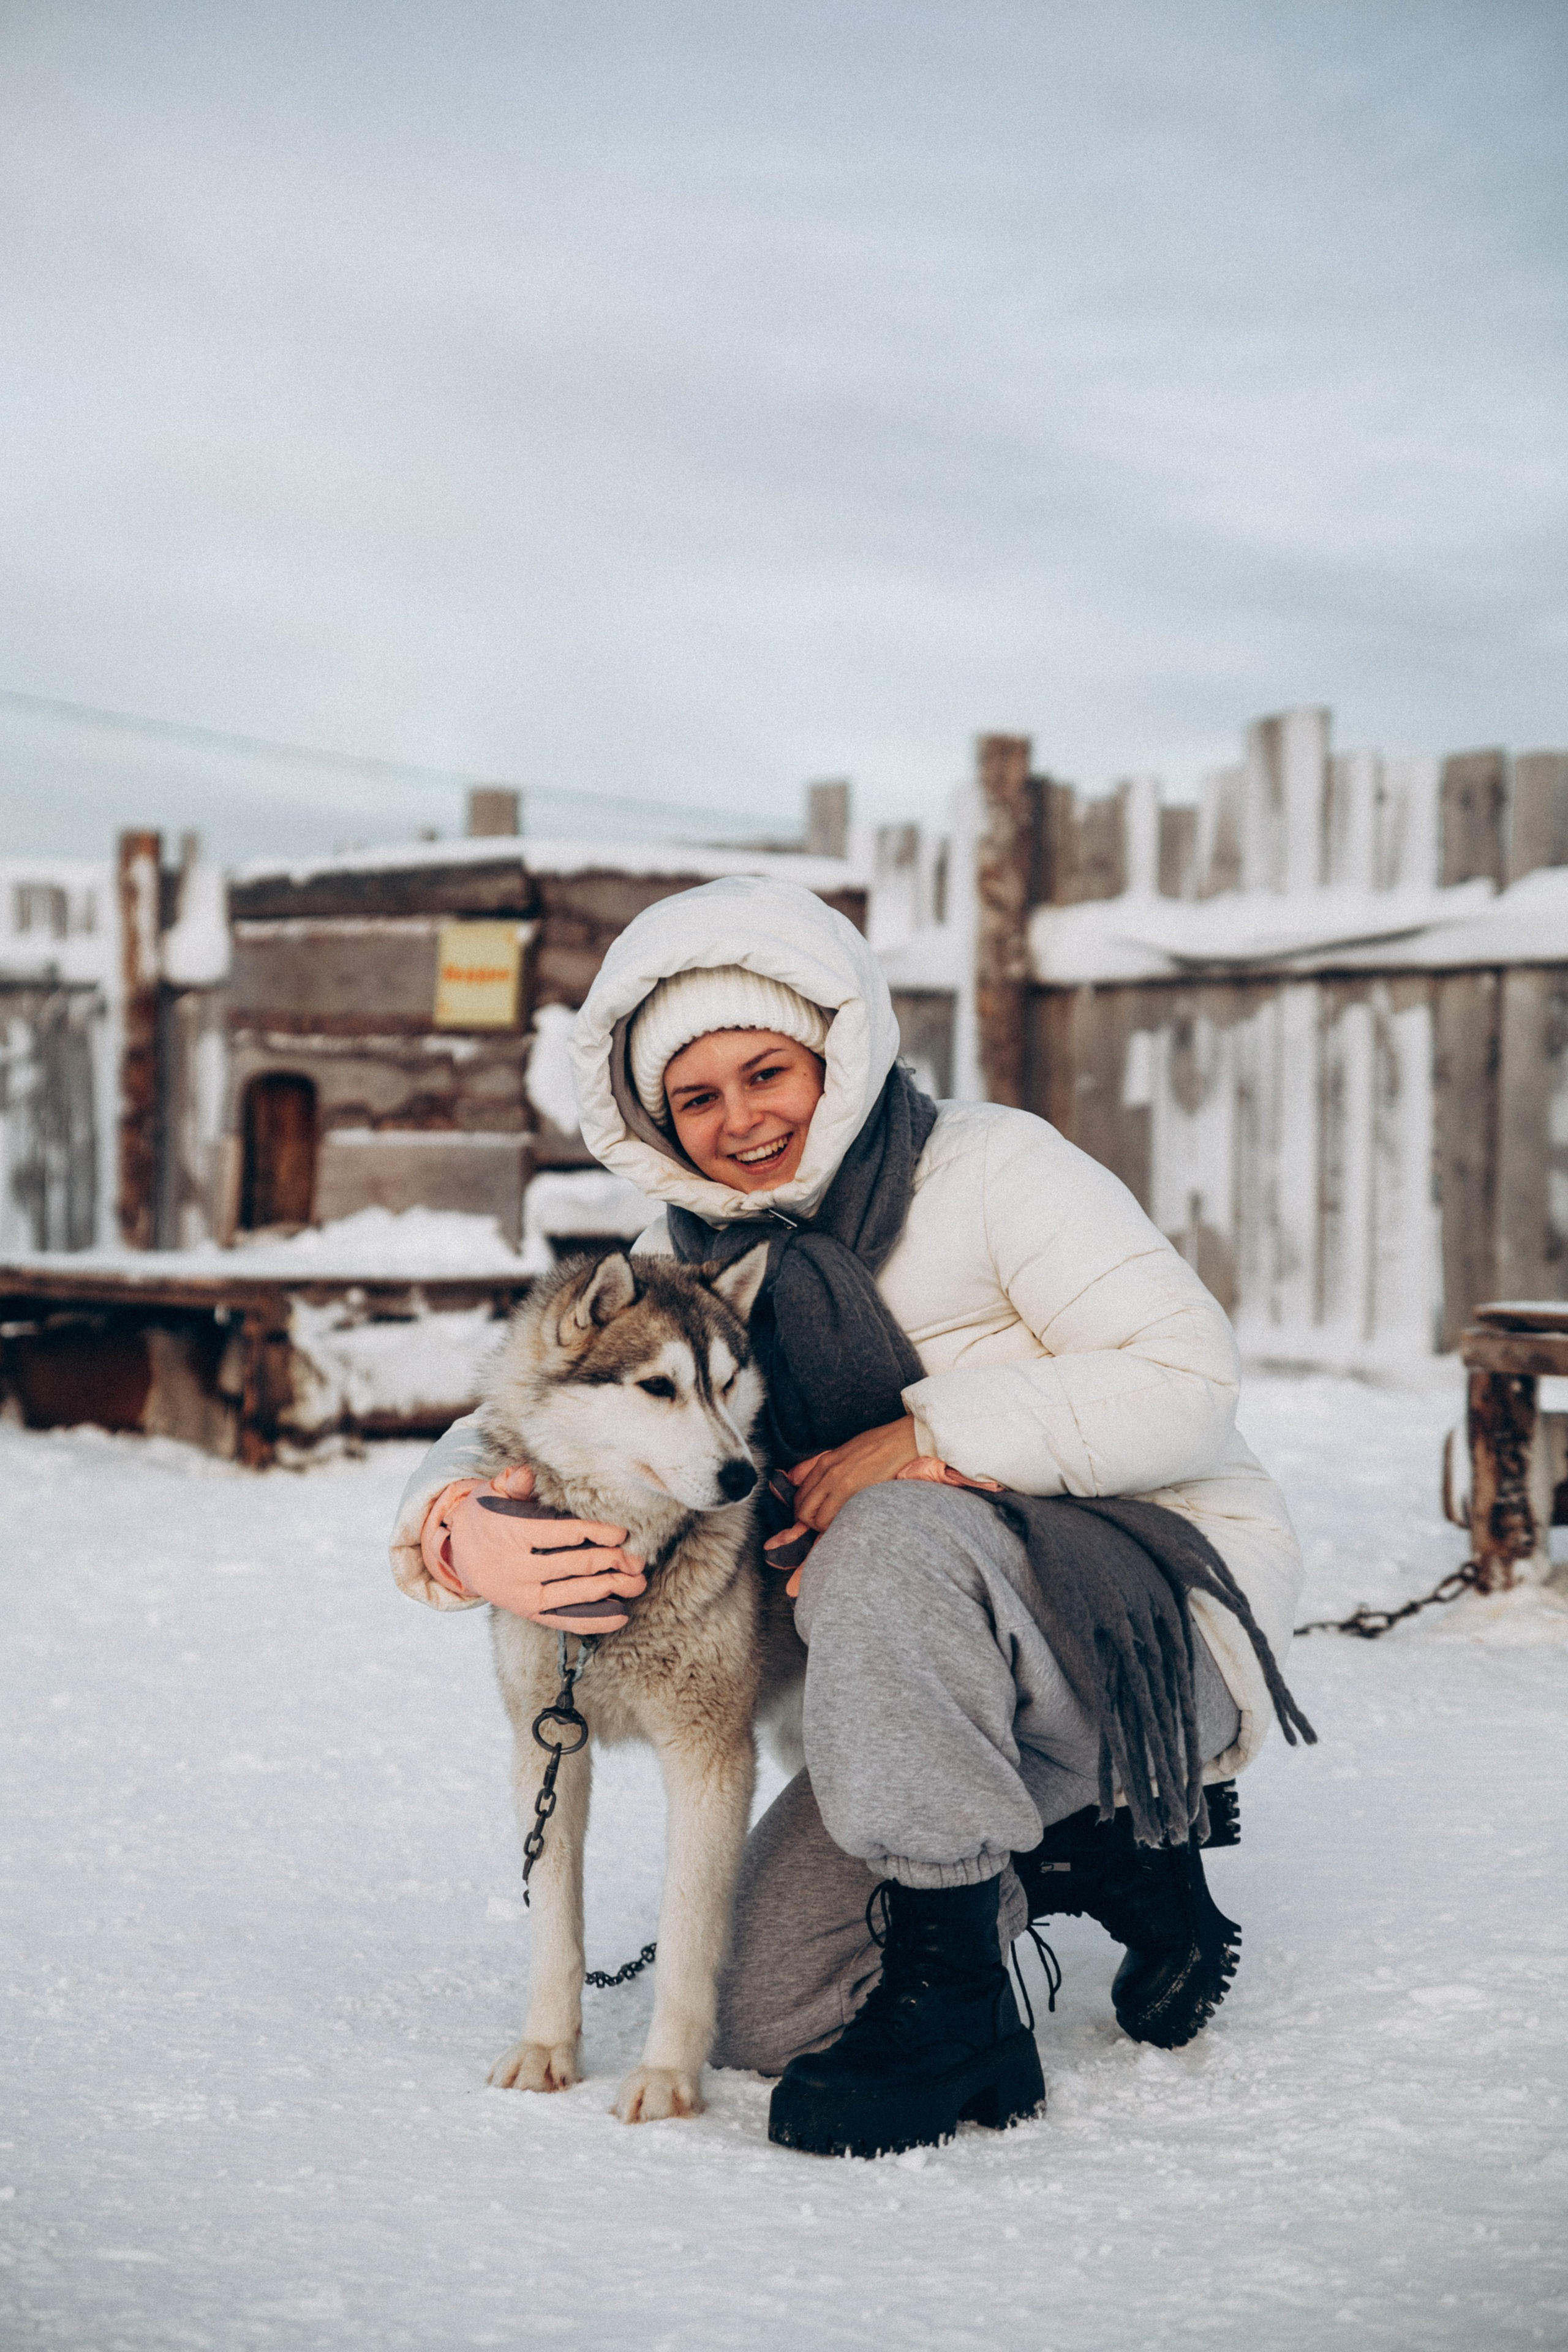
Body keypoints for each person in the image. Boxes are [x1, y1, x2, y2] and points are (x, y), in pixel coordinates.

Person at [390, 875, 1310, 2158]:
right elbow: (539, 1397)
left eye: (767, 1073)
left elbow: (1190, 1384)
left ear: (837, 1052)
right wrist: (449, 1519)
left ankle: (965, 2018)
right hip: (915, 1687)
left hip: (1140, 1625)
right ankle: (1081, 1847)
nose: (738, 1121)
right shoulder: (701, 1258)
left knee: (880, 1528)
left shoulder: (992, 1168)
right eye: (694, 1099)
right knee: (766, 2011)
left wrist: (928, 1434)